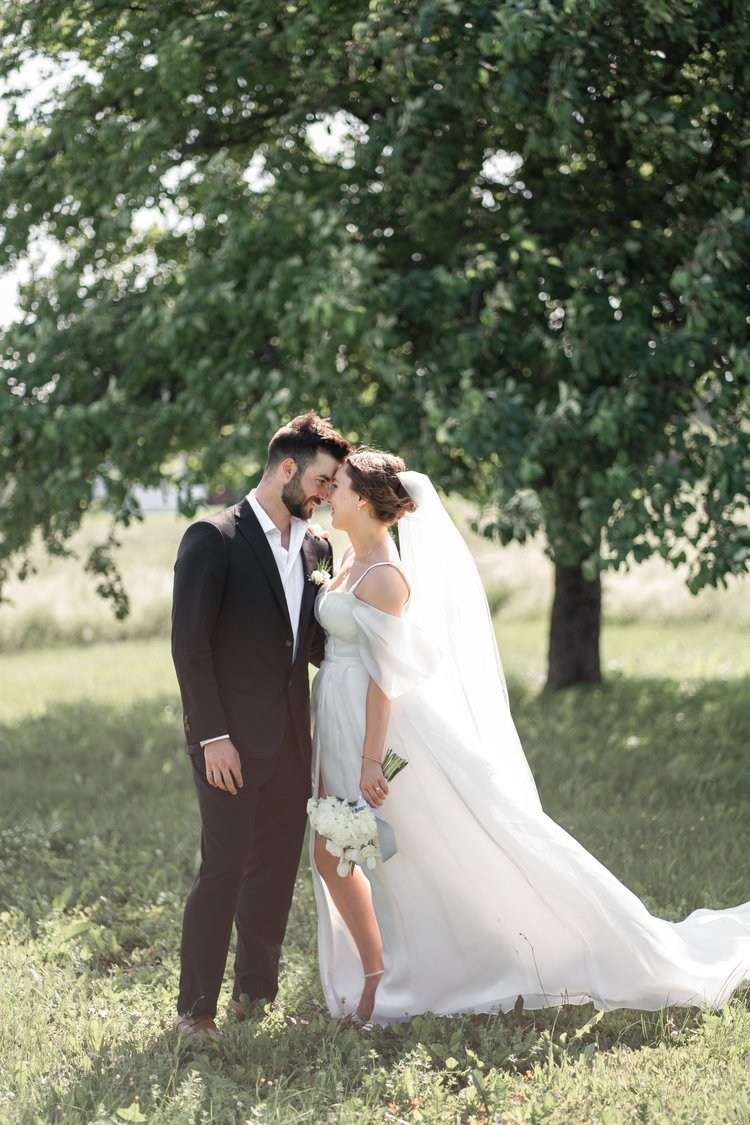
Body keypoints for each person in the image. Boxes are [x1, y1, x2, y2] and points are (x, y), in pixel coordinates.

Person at [309, 450, 750, 1026]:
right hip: (336, 716)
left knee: (423, 852)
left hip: (386, 734)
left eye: (337, 486)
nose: (327, 494)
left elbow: (386, 678)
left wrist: (371, 758)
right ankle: (379, 972)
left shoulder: (386, 577)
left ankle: (431, 970)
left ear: (363, 499)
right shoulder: (347, 558)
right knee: (341, 851)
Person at [170, 411, 350, 1035]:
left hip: (293, 745)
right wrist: (212, 736)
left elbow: (310, 646)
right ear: (289, 468)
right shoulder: (212, 538)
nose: (328, 496)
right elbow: (189, 648)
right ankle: (195, 1011)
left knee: (274, 872)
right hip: (228, 745)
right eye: (324, 482)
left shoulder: (316, 547)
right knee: (222, 870)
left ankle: (255, 996)